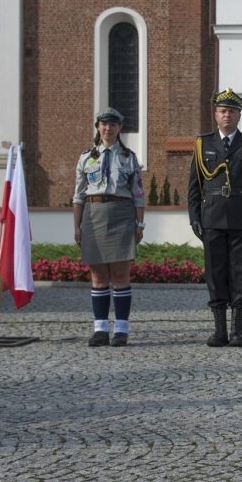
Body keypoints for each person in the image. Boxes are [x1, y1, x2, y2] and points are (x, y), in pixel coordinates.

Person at [187, 89, 242, 347]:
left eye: (232, 111)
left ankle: (237, 332)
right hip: (212, 218)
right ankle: (219, 331)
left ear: (239, 115)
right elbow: (194, 187)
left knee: (240, 273)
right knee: (215, 273)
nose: (227, 115)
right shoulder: (203, 144)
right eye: (223, 111)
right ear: (216, 114)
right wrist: (194, 217)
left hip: (241, 218)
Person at [73, 108, 145, 347]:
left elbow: (138, 194)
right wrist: (77, 226)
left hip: (122, 215)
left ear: (119, 128)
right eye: (103, 124)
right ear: (98, 128)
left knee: (121, 275)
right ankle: (100, 329)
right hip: (93, 216)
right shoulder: (86, 157)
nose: (107, 128)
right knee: (99, 276)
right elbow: (78, 196)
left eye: (113, 124)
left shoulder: (129, 157)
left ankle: (122, 329)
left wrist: (139, 223)